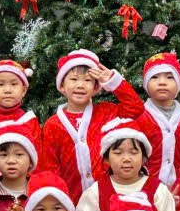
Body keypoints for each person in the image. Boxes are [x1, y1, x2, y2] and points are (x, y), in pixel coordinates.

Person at [39, 50, 145, 201]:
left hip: (109, 198)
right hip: (72, 199)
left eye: (87, 80)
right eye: (74, 79)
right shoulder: (53, 124)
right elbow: (50, 167)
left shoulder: (106, 112)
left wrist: (113, 82)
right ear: (62, 85)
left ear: (96, 87)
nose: (80, 85)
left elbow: (136, 108)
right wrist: (58, 199)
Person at [74, 118, 177, 211]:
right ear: (107, 158)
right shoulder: (96, 192)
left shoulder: (158, 191)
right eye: (118, 152)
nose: (126, 158)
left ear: (143, 157)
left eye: (134, 152)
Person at [136, 52, 180, 188]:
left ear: (179, 84)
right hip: (145, 188)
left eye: (169, 77)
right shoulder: (139, 117)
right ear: (146, 83)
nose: (162, 82)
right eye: (154, 77)